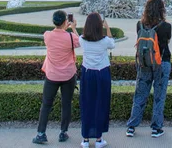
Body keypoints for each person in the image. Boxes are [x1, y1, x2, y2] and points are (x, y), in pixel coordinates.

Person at [126, 0, 172, 138]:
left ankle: (131, 127)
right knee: (159, 96)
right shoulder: (166, 26)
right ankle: (156, 128)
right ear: (161, 9)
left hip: (144, 63)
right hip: (161, 63)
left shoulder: (139, 24)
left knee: (140, 95)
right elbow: (166, 43)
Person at [32, 10, 79, 145]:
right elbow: (79, 42)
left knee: (46, 104)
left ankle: (41, 133)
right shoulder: (70, 37)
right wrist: (73, 28)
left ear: (53, 21)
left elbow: (56, 33)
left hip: (52, 75)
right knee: (66, 104)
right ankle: (63, 132)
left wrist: (62, 27)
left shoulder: (47, 35)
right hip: (68, 75)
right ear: (66, 21)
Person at [79, 12, 115, 148]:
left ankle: (86, 139)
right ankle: (99, 139)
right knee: (101, 104)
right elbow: (113, 44)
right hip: (102, 73)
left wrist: (73, 28)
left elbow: (78, 39)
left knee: (87, 103)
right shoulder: (104, 40)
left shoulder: (82, 39)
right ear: (100, 25)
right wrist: (108, 28)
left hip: (88, 73)